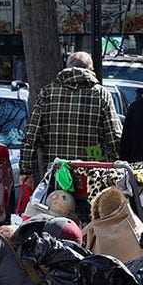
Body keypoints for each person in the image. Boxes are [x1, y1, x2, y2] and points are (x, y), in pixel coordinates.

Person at [20, 52, 121, 191]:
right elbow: (114, 137)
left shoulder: (47, 93)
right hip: (90, 173)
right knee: (89, 211)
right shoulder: (101, 94)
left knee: (54, 209)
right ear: (90, 70)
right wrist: (118, 165)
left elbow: (31, 135)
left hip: (55, 173)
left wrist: (26, 171)